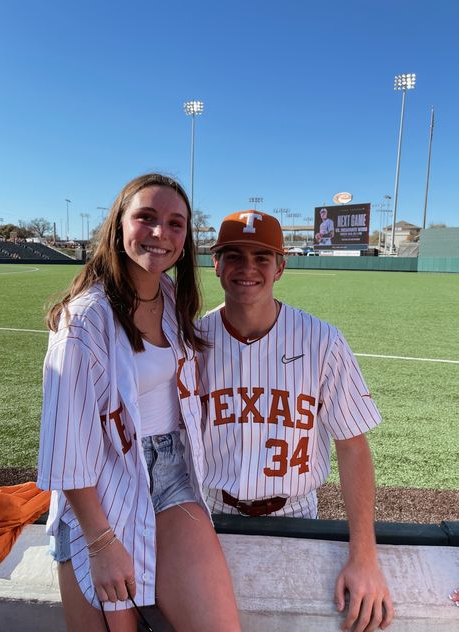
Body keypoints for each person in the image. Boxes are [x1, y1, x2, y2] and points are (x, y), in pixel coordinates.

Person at [37, 174, 240, 632]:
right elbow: (67, 449)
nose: (160, 233)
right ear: (119, 225)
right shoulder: (83, 322)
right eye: (145, 218)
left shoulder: (169, 295)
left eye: (175, 224)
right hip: (98, 488)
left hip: (169, 472)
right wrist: (101, 541)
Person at [197, 210, 394, 632]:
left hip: (297, 510)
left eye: (262, 257)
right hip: (212, 510)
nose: (248, 267)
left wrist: (363, 555)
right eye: (233, 255)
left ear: (281, 267)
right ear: (215, 264)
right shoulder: (191, 342)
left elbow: (353, 446)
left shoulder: (323, 341)